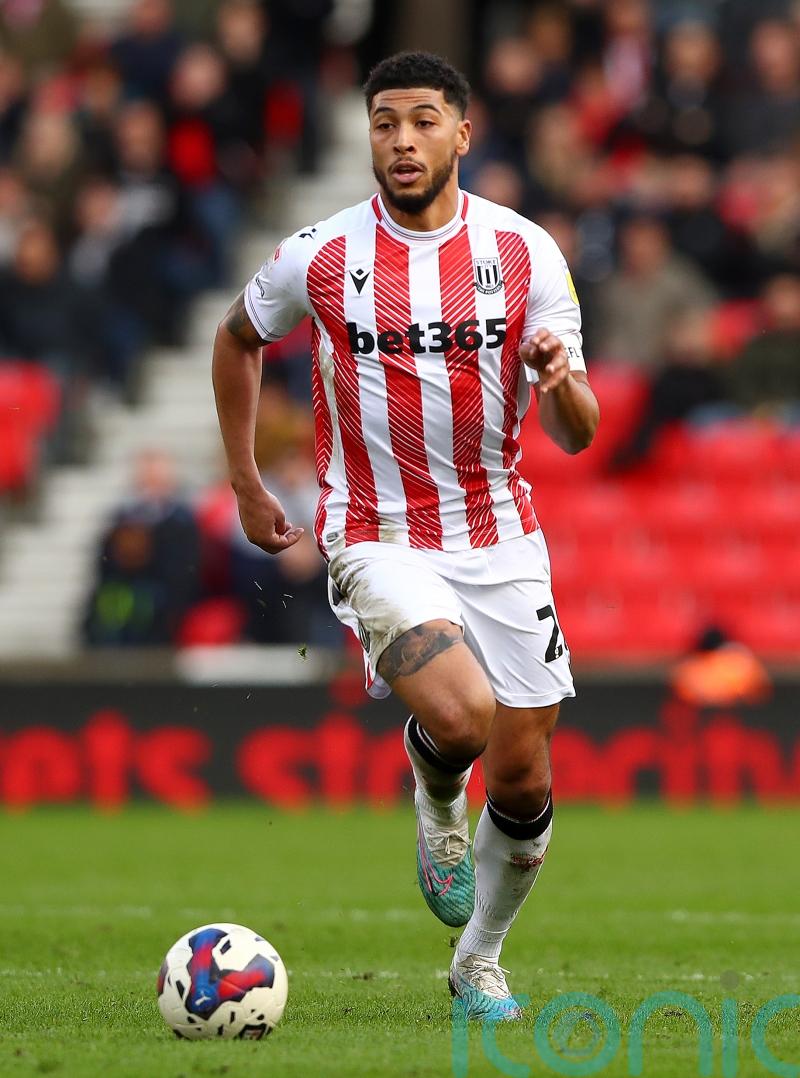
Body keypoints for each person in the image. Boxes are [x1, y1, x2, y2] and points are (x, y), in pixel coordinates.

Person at [212, 52, 599, 1021]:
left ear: (461, 134)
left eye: (422, 121)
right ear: (367, 136)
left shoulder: (523, 254)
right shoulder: (322, 253)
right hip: (375, 527)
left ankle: (478, 959)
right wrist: (246, 478)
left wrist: (558, 380)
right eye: (384, 122)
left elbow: (580, 430)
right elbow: (236, 336)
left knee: (520, 771)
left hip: (499, 531)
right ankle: (435, 806)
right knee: (463, 718)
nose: (401, 140)